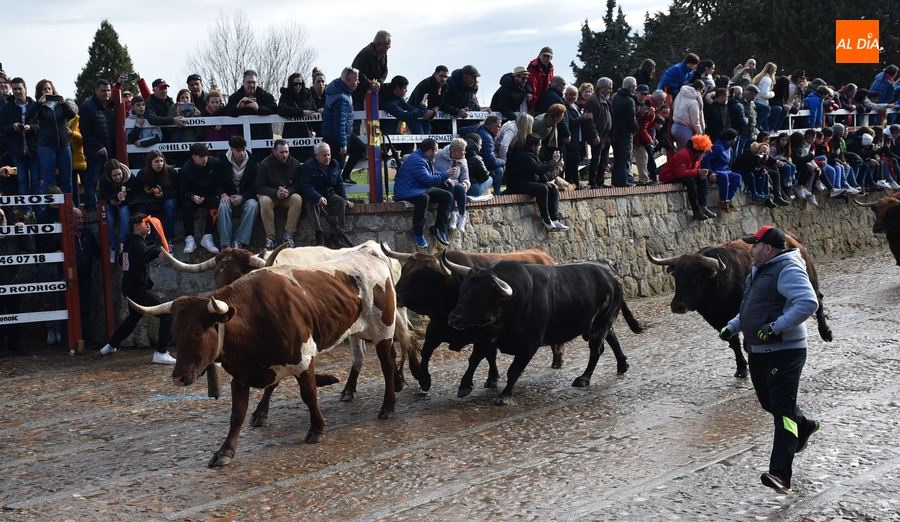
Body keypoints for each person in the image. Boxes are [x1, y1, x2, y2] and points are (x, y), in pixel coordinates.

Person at [720, 225, 821, 494]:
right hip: (758, 351)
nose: (749, 250)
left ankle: (780, 474)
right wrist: (733, 326)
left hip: (786, 352)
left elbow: (808, 303)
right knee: (769, 404)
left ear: (767, 248)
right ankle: (806, 425)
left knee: (782, 412)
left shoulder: (788, 268)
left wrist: (776, 327)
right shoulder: (757, 270)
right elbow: (752, 308)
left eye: (754, 245)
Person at [100, 212, 176, 365]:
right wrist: (158, 252)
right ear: (136, 227)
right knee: (167, 314)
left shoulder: (128, 243)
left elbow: (123, 260)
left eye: (149, 223)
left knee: (134, 317)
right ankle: (161, 352)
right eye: (145, 223)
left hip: (130, 288)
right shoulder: (137, 243)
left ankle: (110, 346)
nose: (148, 226)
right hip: (137, 289)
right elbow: (144, 256)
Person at [393, 138, 455, 248]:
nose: (438, 152)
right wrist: (446, 175)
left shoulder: (423, 157)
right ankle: (417, 232)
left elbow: (431, 172)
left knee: (447, 196)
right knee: (424, 198)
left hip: (418, 188)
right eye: (436, 150)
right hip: (407, 190)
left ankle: (440, 229)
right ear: (430, 151)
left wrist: (442, 177)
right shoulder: (418, 160)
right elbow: (428, 180)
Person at [505, 133, 569, 231]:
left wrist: (546, 181)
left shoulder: (532, 154)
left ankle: (555, 220)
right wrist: (554, 161)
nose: (540, 147)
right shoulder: (525, 155)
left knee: (553, 189)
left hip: (528, 182)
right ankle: (546, 218)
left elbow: (540, 170)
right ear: (533, 146)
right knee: (542, 189)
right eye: (539, 145)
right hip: (517, 184)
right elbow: (539, 169)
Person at [27, 79, 76, 200]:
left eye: (49, 88)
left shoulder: (59, 105)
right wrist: (38, 103)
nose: (47, 91)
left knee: (67, 178)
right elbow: (29, 116)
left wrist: (63, 103)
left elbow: (72, 115)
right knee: (48, 178)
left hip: (64, 145)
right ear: (40, 92)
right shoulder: (39, 107)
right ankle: (47, 207)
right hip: (47, 146)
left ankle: (69, 206)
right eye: (44, 89)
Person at [299, 141, 353, 246]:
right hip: (313, 194)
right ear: (316, 156)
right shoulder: (308, 166)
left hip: (329, 193)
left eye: (329, 154)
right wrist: (318, 197)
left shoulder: (335, 164)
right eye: (324, 155)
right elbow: (306, 186)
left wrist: (345, 198)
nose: (327, 157)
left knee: (340, 202)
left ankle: (336, 235)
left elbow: (339, 183)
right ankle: (318, 233)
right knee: (311, 204)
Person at [0, 77, 39, 215]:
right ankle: (27, 210)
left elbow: (42, 125)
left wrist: (31, 128)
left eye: (19, 88)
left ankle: (39, 210)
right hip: (17, 149)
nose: (17, 91)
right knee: (22, 180)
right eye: (15, 89)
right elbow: (3, 127)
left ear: (25, 89)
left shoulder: (34, 105)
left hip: (33, 149)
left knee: (36, 180)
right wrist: (13, 128)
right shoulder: (8, 108)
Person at [255, 140, 304, 250]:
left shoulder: (295, 164)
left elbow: (298, 184)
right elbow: (259, 187)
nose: (285, 155)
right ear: (274, 152)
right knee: (265, 201)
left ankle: (289, 235)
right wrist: (275, 192)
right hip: (270, 195)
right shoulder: (264, 164)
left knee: (297, 199)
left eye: (287, 152)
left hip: (287, 195)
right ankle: (270, 237)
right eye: (282, 152)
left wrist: (289, 191)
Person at [322, 67, 366, 185]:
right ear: (348, 80)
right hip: (336, 136)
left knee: (361, 149)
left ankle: (345, 176)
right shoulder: (341, 98)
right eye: (356, 80)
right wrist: (342, 143)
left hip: (345, 133)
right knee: (337, 165)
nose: (358, 82)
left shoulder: (339, 90)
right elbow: (339, 122)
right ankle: (334, 192)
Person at [0, 205, 34, 356]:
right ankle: (0, 346)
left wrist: (22, 231)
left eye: (3, 216)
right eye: (0, 218)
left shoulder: (13, 233)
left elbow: (30, 248)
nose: (3, 220)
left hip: (13, 280)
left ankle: (15, 343)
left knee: (15, 314)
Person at [79, 79, 117, 212]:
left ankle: (108, 206)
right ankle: (92, 209)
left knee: (110, 179)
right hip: (94, 152)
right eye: (103, 91)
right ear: (96, 91)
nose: (106, 93)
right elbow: (85, 130)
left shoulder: (112, 105)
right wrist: (97, 146)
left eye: (108, 90)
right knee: (92, 182)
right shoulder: (87, 106)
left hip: (110, 150)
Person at [658, 133, 716, 221]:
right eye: (702, 152)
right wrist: (697, 172)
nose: (702, 155)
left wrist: (701, 174)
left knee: (703, 179)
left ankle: (703, 206)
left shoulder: (696, 155)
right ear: (697, 150)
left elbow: (694, 169)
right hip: (668, 176)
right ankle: (696, 211)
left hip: (680, 173)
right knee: (690, 181)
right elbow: (679, 173)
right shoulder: (684, 155)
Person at [130, 150, 180, 252]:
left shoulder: (171, 171)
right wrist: (146, 191)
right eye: (156, 161)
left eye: (161, 161)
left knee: (169, 206)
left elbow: (179, 190)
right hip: (150, 200)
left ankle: (169, 239)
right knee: (141, 208)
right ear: (150, 163)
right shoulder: (143, 173)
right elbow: (136, 190)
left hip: (170, 198)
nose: (160, 164)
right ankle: (148, 239)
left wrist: (164, 194)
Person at [215, 135, 259, 251]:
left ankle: (239, 240)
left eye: (243, 150)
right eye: (238, 150)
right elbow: (216, 183)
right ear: (231, 149)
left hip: (245, 196)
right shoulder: (222, 161)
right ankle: (225, 244)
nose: (242, 153)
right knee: (223, 206)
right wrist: (222, 194)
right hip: (228, 195)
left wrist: (243, 197)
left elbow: (256, 186)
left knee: (253, 205)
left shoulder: (253, 162)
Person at [179, 143, 220, 255]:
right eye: (201, 156)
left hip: (209, 195)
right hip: (192, 196)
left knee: (217, 204)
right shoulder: (185, 170)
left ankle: (208, 236)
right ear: (193, 157)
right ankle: (189, 238)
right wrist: (192, 197)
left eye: (206, 156)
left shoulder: (214, 163)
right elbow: (183, 191)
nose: (205, 159)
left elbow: (219, 181)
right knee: (186, 206)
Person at [71, 207, 101, 346]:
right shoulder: (64, 235)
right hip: (69, 280)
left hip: (85, 278)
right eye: (77, 218)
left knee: (85, 308)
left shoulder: (87, 234)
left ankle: (86, 338)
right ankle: (69, 339)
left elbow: (96, 251)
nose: (81, 221)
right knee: (70, 309)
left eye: (82, 218)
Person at [225, 70, 278, 146]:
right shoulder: (235, 97)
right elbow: (227, 112)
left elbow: (274, 109)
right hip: (241, 138)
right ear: (243, 83)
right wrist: (237, 107)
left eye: (254, 82)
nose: (251, 85)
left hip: (263, 136)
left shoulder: (266, 96)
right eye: (249, 82)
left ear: (257, 83)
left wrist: (259, 109)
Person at [98, 159, 136, 261]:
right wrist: (114, 197)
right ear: (109, 175)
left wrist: (123, 201)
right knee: (107, 219)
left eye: (119, 174)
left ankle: (124, 243)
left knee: (125, 214)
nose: (118, 177)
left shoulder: (130, 177)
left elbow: (135, 194)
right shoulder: (103, 180)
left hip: (125, 203)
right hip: (110, 203)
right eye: (114, 175)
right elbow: (102, 196)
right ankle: (112, 247)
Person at [459, 115, 506, 194]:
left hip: (469, 167)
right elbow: (491, 161)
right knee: (499, 170)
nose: (500, 129)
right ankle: (497, 193)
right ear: (491, 127)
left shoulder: (477, 127)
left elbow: (460, 130)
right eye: (498, 127)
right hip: (476, 175)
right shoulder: (487, 138)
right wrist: (503, 161)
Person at [277, 72, 318, 161]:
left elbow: (314, 109)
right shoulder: (286, 95)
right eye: (295, 84)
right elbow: (281, 109)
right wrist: (301, 112)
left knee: (308, 163)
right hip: (292, 135)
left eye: (300, 84)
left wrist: (319, 111)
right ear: (291, 85)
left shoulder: (307, 95)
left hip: (308, 136)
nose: (298, 86)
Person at [433, 138, 470, 233]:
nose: (465, 152)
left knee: (460, 187)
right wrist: (443, 177)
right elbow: (431, 169)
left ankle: (462, 216)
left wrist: (465, 183)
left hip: (456, 184)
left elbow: (465, 177)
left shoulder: (463, 160)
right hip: (442, 183)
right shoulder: (439, 154)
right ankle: (453, 214)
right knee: (450, 185)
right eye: (463, 150)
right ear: (456, 151)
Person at [701, 128, 743, 212]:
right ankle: (723, 201)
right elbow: (706, 159)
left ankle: (728, 200)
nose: (736, 140)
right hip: (715, 170)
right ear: (731, 139)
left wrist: (728, 169)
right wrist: (711, 173)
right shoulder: (718, 147)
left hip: (724, 170)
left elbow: (726, 162)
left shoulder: (729, 148)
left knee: (737, 177)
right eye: (735, 138)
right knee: (724, 176)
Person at [583, 78, 613, 188]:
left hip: (606, 135)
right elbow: (589, 121)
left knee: (604, 160)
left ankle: (600, 181)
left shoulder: (604, 99)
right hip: (598, 135)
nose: (611, 90)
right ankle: (593, 182)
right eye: (609, 88)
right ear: (603, 87)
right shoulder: (593, 100)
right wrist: (595, 135)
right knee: (596, 159)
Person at [351, 30, 390, 110]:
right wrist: (370, 84)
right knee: (357, 118)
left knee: (373, 119)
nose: (390, 46)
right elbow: (359, 72)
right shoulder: (366, 54)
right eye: (388, 44)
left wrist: (379, 82)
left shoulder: (383, 55)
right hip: (358, 94)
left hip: (374, 94)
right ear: (381, 43)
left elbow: (385, 71)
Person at [611, 77, 638, 187]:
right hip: (625, 133)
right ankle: (623, 181)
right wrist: (636, 128)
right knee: (625, 158)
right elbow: (631, 120)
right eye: (635, 87)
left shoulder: (614, 97)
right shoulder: (629, 101)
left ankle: (615, 181)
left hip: (614, 132)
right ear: (631, 87)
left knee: (617, 158)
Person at [409, 65, 451, 134]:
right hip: (414, 116)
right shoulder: (425, 84)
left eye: (446, 77)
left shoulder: (445, 87)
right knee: (421, 139)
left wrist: (433, 111)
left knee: (428, 140)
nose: (443, 79)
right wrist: (425, 111)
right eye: (441, 76)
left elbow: (440, 103)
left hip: (427, 118)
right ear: (435, 75)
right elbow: (417, 102)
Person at [671, 79, 705, 151]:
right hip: (684, 129)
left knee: (681, 152)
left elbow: (673, 106)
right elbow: (695, 121)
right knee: (691, 151)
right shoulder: (694, 102)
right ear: (699, 89)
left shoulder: (680, 93)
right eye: (702, 90)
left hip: (675, 126)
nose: (702, 92)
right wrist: (700, 134)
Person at [526, 47, 554, 112]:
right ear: (540, 55)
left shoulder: (551, 68)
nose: (546, 59)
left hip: (545, 100)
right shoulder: (533, 67)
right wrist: (532, 105)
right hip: (534, 101)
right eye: (544, 56)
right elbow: (532, 86)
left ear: (551, 58)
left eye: (548, 57)